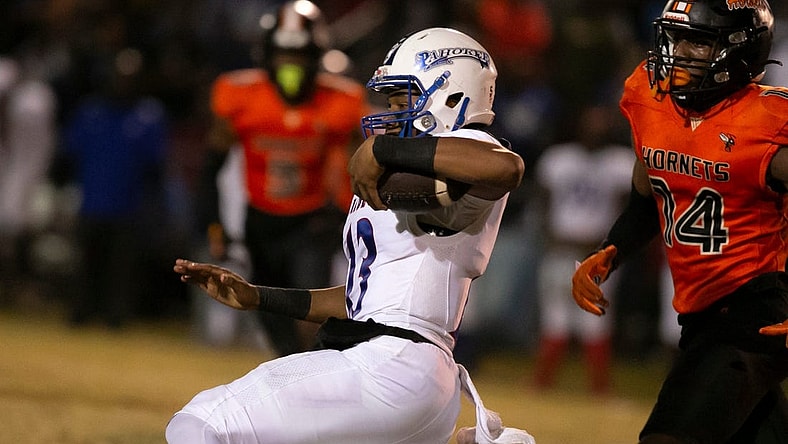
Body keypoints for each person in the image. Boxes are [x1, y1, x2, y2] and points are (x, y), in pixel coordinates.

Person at [168, 27, 534, 444]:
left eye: (403, 101)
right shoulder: (422, 168)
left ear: (451, 96)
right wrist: (258, 296)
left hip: (393, 364)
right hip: (408, 372)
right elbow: (361, 298)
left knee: (203, 421)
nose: (392, 113)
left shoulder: (465, 144)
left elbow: (506, 168)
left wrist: (382, 151)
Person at [571, 1, 788, 443]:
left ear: (739, 50)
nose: (681, 52)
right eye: (678, 38)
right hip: (701, 313)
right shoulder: (650, 100)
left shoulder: (767, 121)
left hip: (756, 312)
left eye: (699, 41)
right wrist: (613, 247)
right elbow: (648, 191)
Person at [198, 0, 369, 356]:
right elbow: (211, 166)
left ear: (317, 55)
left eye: (300, 55)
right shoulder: (240, 96)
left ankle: (314, 383)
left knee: (307, 313)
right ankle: (295, 380)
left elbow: (360, 168)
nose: (291, 65)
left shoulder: (342, 101)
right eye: (283, 55)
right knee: (270, 316)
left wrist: (347, 218)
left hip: (311, 222)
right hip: (260, 220)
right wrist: (214, 223)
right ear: (266, 55)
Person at [533, 104, 633, 394]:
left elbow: (628, 210)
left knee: (595, 320)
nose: (595, 129)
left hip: (598, 255)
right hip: (561, 248)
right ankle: (542, 383)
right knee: (555, 319)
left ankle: (599, 388)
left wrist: (611, 244)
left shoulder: (620, 161)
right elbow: (543, 203)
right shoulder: (558, 159)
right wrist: (549, 237)